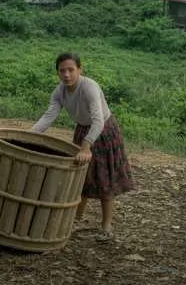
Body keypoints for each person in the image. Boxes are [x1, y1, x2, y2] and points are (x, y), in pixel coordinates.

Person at [31, 52, 135, 240]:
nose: (66, 75)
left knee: (104, 179)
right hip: (82, 130)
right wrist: (29, 136)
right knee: (80, 176)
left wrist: (85, 147)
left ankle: (106, 226)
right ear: (58, 73)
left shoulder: (89, 87)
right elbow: (49, 116)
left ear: (80, 69)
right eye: (62, 71)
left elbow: (97, 120)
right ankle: (76, 216)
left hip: (104, 131)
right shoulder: (59, 91)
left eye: (71, 70)